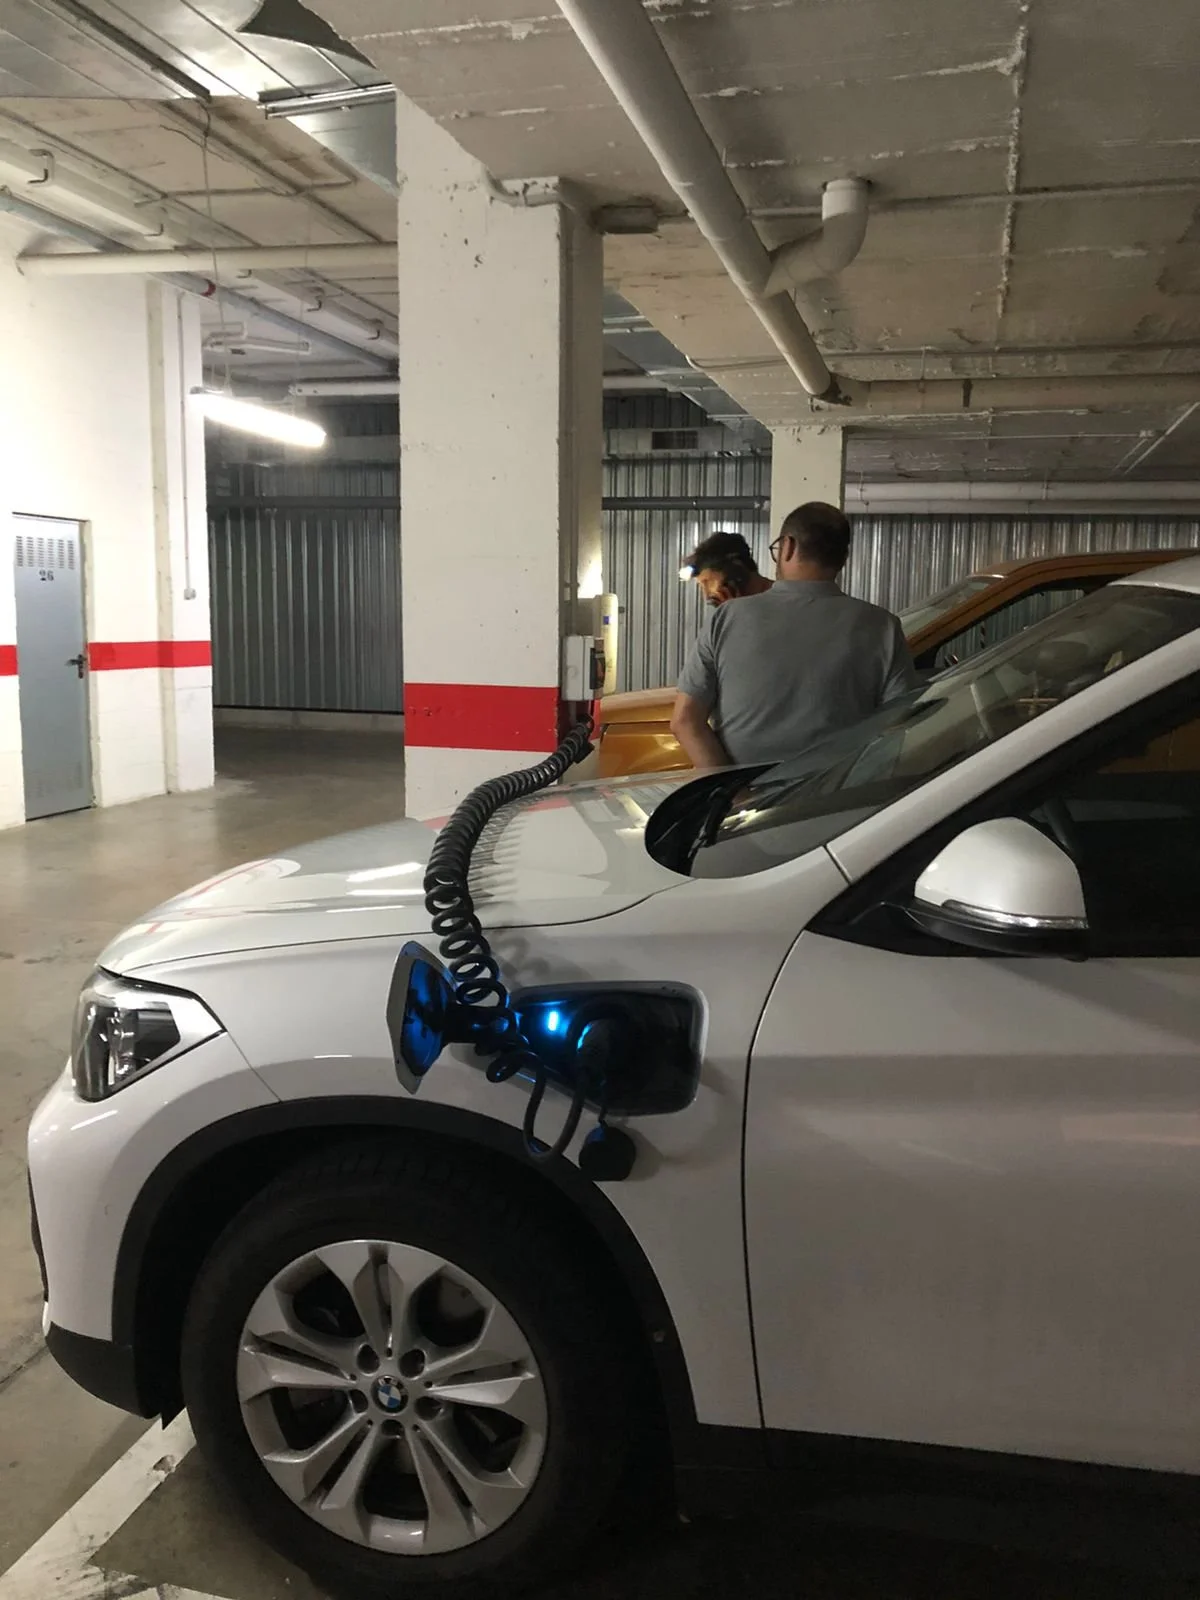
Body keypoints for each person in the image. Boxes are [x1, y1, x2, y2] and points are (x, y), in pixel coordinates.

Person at [671, 500, 916, 769]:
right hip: (841, 792)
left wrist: (730, 788)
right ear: (843, 558)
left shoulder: (726, 618)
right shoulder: (883, 626)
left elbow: (685, 721)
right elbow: (897, 727)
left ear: (787, 546)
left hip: (743, 791)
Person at [683, 530, 773, 607]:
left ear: (735, 568)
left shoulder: (778, 601)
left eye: (709, 582)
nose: (707, 595)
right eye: (701, 586)